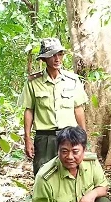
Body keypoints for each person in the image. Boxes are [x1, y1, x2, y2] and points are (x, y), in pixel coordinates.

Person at [19, 37, 88, 175]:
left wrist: (83, 137)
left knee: (71, 173)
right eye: (52, 55)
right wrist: (27, 138)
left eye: (59, 54)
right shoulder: (33, 82)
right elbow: (29, 111)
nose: (57, 59)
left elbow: (78, 109)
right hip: (45, 137)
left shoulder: (72, 80)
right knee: (43, 174)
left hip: (69, 135)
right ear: (44, 59)